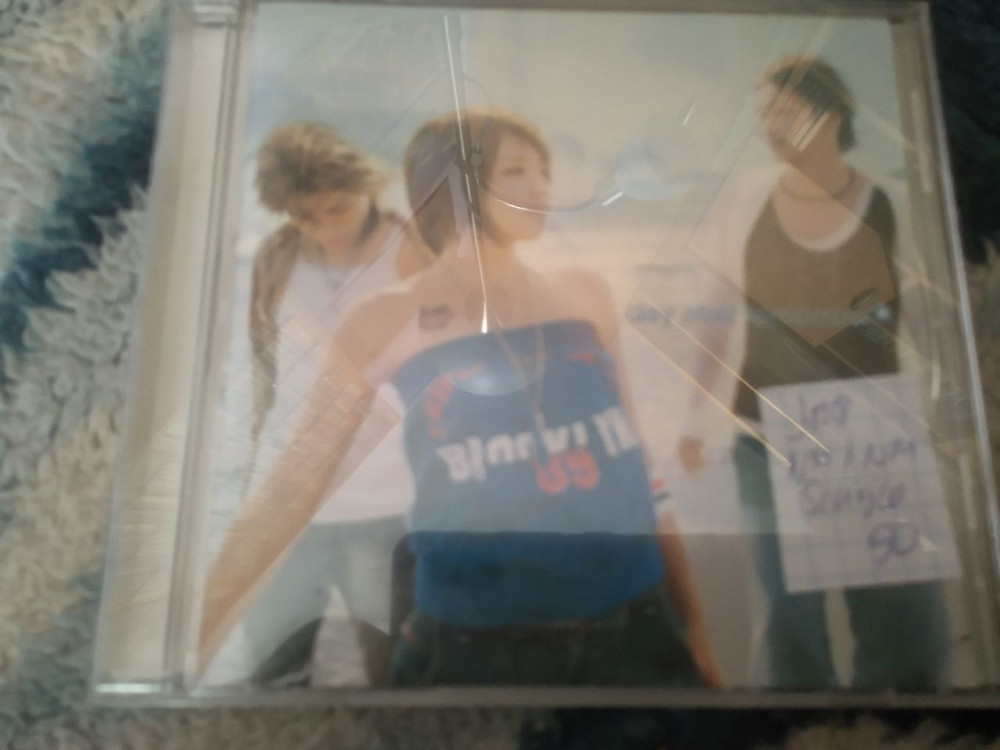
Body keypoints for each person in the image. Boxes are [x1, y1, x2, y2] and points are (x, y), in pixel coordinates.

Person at [201, 108, 721, 687]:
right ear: (454, 183)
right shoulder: (385, 317)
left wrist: (696, 622)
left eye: (543, 171)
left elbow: (640, 467)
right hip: (477, 642)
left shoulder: (584, 295)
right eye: (516, 170)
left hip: (635, 625)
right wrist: (185, 643)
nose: (540, 187)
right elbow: (292, 484)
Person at [676, 56, 949, 689]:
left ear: (835, 113)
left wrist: (951, 418)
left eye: (788, 109)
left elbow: (926, 323)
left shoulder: (891, 203)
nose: (773, 124)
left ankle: (897, 723)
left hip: (873, 439)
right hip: (763, 436)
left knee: (895, 610)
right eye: (766, 113)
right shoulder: (746, 200)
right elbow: (714, 316)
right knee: (786, 616)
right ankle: (797, 725)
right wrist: (691, 422)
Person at [237, 121, 432, 686]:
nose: (325, 226)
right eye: (305, 216)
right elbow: (264, 369)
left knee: (393, 678)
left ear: (366, 185)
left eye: (338, 208)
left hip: (389, 500)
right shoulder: (276, 256)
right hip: (288, 502)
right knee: (273, 671)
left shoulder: (416, 253)